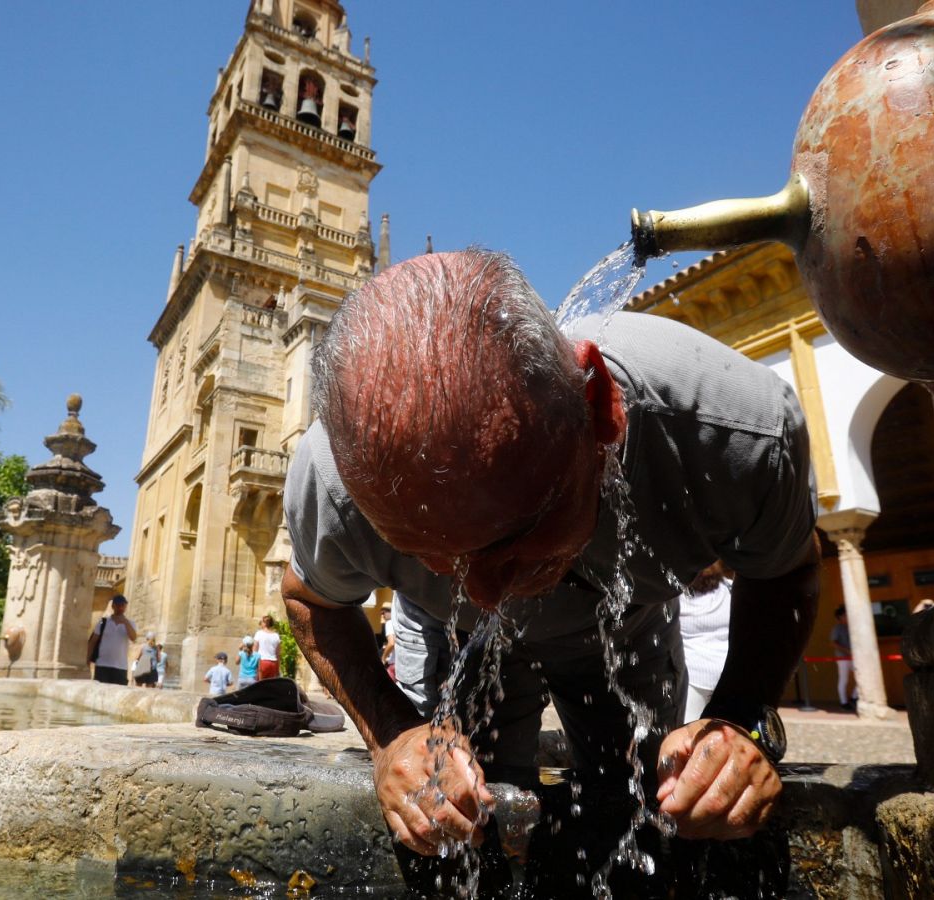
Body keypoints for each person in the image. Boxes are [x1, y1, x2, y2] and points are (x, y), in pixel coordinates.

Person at [280, 250, 819, 890]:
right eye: (435, 556)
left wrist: (740, 717)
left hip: (622, 632)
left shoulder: (727, 433)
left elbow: (785, 570)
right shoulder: (336, 484)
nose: (484, 592)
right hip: (457, 646)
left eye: (515, 539)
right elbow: (313, 602)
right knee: (452, 815)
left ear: (599, 409)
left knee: (647, 802)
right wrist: (392, 735)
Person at [679, 562, 733, 723]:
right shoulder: (731, 589)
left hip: (693, 677)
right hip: (727, 674)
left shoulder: (675, 596)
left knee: (687, 735)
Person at [88, 594, 138, 686]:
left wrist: (126, 622)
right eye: (118, 605)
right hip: (102, 665)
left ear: (125, 607)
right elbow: (93, 641)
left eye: (123, 605)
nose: (120, 607)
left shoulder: (131, 623)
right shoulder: (103, 621)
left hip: (121, 667)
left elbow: (134, 638)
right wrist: (88, 660)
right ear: (113, 606)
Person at [830, 605, 858, 712]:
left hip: (852, 657)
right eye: (845, 615)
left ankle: (853, 697)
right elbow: (833, 643)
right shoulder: (837, 628)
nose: (847, 617)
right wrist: (846, 650)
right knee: (844, 679)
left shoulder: (851, 627)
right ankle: (843, 702)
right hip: (842, 658)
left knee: (862, 677)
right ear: (840, 617)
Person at [253, 615, 282, 680]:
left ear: (265, 623)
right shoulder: (276, 636)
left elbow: (254, 650)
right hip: (273, 663)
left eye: (262, 622)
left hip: (262, 662)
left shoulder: (259, 633)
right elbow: (278, 654)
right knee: (270, 686)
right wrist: (278, 668)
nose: (261, 623)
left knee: (259, 685)